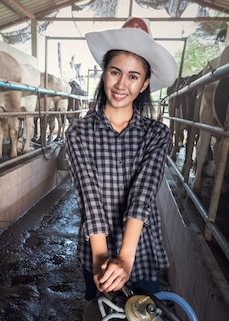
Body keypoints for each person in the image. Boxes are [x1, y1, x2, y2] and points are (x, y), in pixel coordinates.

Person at [65, 17, 177, 300]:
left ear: (145, 83)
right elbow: (89, 197)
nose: (121, 84)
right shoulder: (78, 132)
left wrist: (125, 259)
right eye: (115, 72)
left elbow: (143, 196)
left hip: (140, 251)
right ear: (104, 73)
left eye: (133, 76)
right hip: (96, 246)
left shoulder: (157, 134)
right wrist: (102, 259)